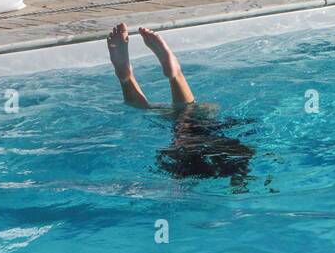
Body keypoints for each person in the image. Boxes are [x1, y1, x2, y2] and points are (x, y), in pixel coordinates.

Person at [105, 23, 256, 188]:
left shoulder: (231, 160)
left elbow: (245, 155)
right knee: (147, 112)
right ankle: (125, 75)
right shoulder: (183, 169)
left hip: (209, 137)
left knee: (191, 112)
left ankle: (175, 74)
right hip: (188, 151)